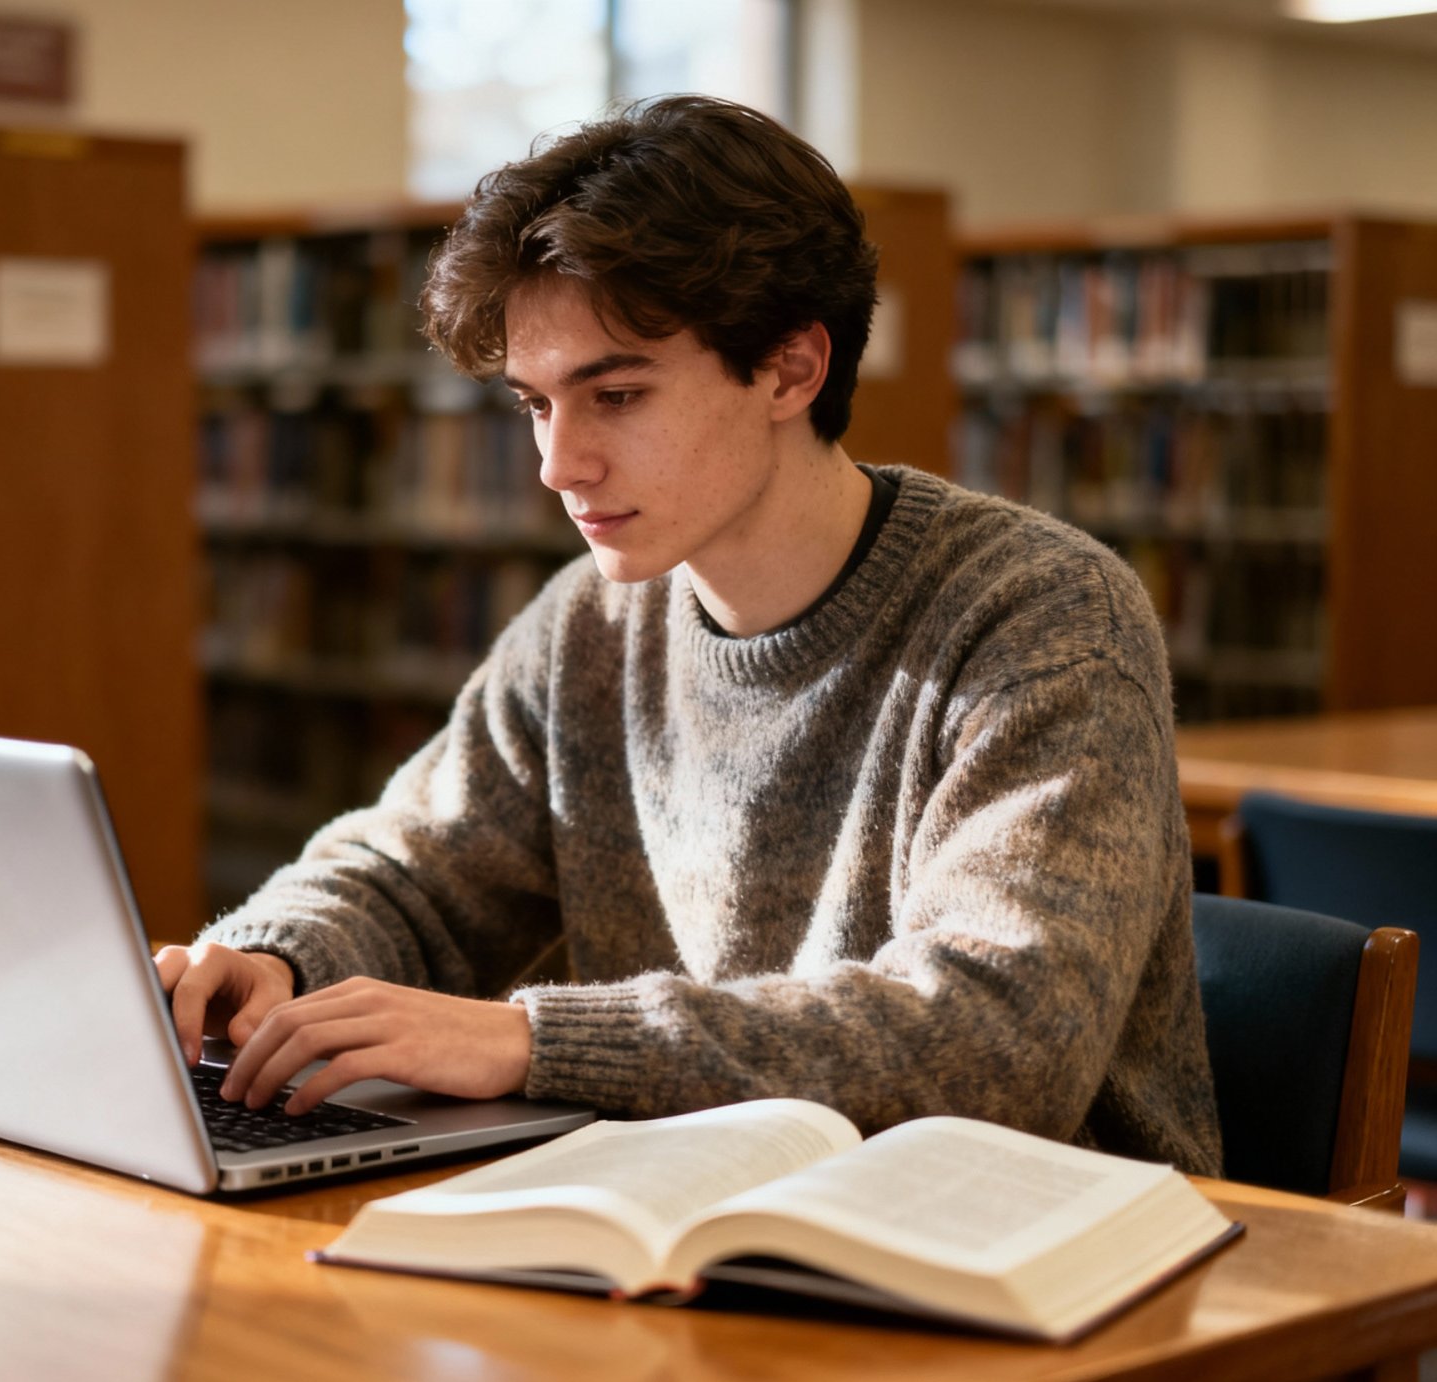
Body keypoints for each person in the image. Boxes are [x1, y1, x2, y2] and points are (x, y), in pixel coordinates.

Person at [156, 95, 1222, 1174]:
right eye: (535, 404)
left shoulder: (1044, 616)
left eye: (617, 395)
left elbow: (1002, 1039)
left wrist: (534, 1043)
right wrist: (274, 959)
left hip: (1033, 1230)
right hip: (710, 1195)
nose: (558, 465)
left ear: (791, 370)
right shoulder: (588, 624)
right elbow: (414, 870)